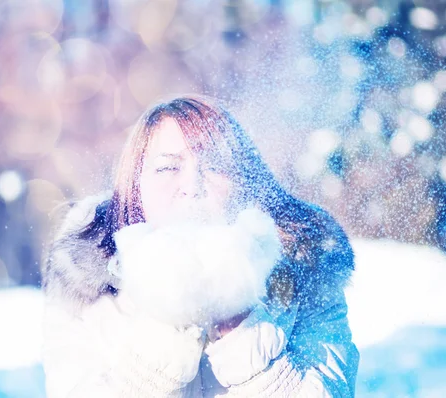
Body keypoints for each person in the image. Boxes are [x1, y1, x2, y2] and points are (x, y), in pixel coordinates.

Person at [41, 95, 359, 397]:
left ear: (243, 182)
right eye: (167, 167)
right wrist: (169, 317)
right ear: (134, 185)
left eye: (214, 166)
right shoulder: (87, 283)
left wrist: (241, 327)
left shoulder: (304, 269)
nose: (192, 187)